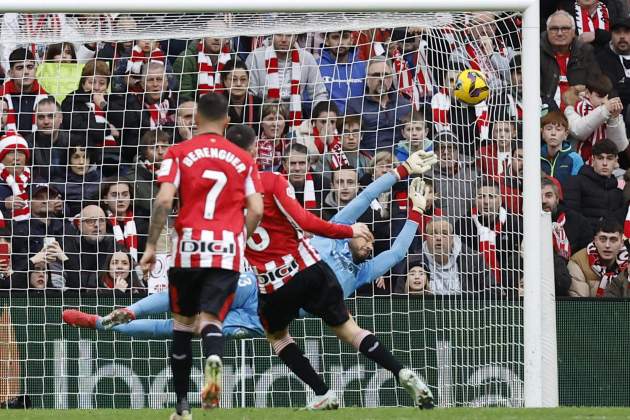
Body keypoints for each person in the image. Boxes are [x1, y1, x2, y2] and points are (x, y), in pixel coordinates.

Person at [241, 122, 435, 410]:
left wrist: (417, 212)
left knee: (283, 337)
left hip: (282, 284)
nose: (369, 242)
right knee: (346, 330)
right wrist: (401, 170)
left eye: (370, 243)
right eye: (366, 235)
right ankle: (393, 373)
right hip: (304, 282)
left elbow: (395, 254)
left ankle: (377, 378)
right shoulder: (334, 234)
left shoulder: (362, 271)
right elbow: (366, 196)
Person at [138, 93, 264, 418]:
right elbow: (257, 209)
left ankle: (182, 408)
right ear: (226, 121)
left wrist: (152, 246)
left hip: (189, 251)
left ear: (195, 119)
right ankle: (214, 358)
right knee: (211, 322)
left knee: (182, 327)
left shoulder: (178, 152)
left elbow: (164, 201)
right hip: (225, 252)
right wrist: (240, 237)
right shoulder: (243, 159)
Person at [456, 179, 523, 291]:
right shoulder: (463, 224)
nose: (486, 202)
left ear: (500, 200)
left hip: (508, 285)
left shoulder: (514, 223)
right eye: (481, 197)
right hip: (474, 286)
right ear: (475, 200)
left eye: (491, 197)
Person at [246, 33, 328, 123]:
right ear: (272, 35)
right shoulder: (256, 56)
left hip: (296, 122)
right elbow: (250, 96)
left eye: (289, 35)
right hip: (263, 121)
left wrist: (319, 120)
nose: (284, 39)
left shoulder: (307, 58)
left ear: (296, 37)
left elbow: (319, 94)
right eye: (279, 35)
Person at [61, 60, 121, 175]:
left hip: (114, 156)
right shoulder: (72, 101)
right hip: (84, 157)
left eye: (102, 83)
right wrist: (108, 130)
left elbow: (123, 125)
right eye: (92, 82)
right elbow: (78, 126)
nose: (97, 87)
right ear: (83, 83)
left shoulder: (113, 102)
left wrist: (103, 105)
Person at [346, 56, 411, 151]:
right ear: (367, 80)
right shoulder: (355, 106)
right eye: (376, 75)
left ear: (392, 79)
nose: (381, 79)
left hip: (401, 160)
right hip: (368, 161)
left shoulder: (405, 105)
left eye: (386, 75)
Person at [541, 10, 602, 110]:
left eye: (565, 28)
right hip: (545, 113)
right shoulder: (536, 51)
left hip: (580, 114)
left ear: (573, 32)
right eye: (554, 29)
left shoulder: (586, 51)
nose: (559, 33)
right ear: (547, 31)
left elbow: (597, 85)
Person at [563, 75, 628, 163]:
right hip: (580, 162)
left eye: (606, 96)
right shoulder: (575, 107)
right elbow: (579, 132)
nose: (604, 101)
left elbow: (619, 146)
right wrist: (604, 110)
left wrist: (614, 118)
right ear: (588, 93)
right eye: (599, 96)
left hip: (605, 164)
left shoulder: (608, 109)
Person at [564, 138, 626, 227]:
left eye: (609, 158)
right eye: (600, 158)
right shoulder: (575, 182)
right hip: (584, 239)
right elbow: (571, 218)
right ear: (593, 160)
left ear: (616, 161)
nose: (605, 163)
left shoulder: (617, 190)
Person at [422, 217, 493, 295]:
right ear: (426, 237)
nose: (438, 238)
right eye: (433, 233)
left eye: (444, 233)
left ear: (452, 238)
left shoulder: (473, 259)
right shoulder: (415, 260)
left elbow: (493, 290)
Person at [567, 218, 629, 297]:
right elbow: (580, 304)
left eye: (613, 240)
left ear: (621, 243)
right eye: (602, 239)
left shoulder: (628, 265)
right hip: (589, 309)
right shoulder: (578, 262)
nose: (607, 245)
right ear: (595, 240)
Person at [60, 204, 117, 290]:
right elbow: (76, 286)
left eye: (101, 220)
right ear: (79, 225)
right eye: (91, 221)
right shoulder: (64, 246)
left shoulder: (114, 244)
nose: (97, 225)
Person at [542, 176, 593, 259]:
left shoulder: (578, 222)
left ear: (557, 199)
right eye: (538, 196)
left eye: (548, 195)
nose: (543, 201)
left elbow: (586, 256)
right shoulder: (524, 223)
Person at [0, 48, 49, 135]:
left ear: (36, 70)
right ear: (10, 73)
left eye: (30, 67)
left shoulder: (48, 98)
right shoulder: (1, 97)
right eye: (20, 68)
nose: (26, 72)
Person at [317, 30, 367, 114]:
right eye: (335, 37)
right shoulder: (316, 66)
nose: (340, 42)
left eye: (345, 37)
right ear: (327, 41)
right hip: (329, 122)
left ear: (351, 40)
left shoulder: (363, 67)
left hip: (358, 121)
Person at [99, 178, 148, 263]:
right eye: (115, 195)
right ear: (105, 199)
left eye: (125, 194)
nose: (120, 199)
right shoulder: (100, 222)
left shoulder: (144, 219)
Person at [51, 146, 101, 218]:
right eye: (76, 157)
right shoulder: (57, 184)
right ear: (68, 160)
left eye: (85, 157)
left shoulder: (101, 181)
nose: (81, 162)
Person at [130, 129, 170, 216]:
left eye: (164, 147)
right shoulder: (133, 179)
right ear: (145, 153)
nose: (160, 152)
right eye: (154, 147)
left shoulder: (180, 172)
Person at [596, 18, 630, 117]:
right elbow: (610, 90)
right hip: (615, 114)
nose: (622, 37)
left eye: (627, 32)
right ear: (611, 35)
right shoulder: (601, 59)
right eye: (618, 32)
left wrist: (624, 83)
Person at [540, 111, 584, 187]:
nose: (553, 133)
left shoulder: (575, 158)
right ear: (542, 132)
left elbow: (576, 189)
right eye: (549, 129)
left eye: (558, 129)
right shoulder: (535, 157)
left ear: (566, 134)